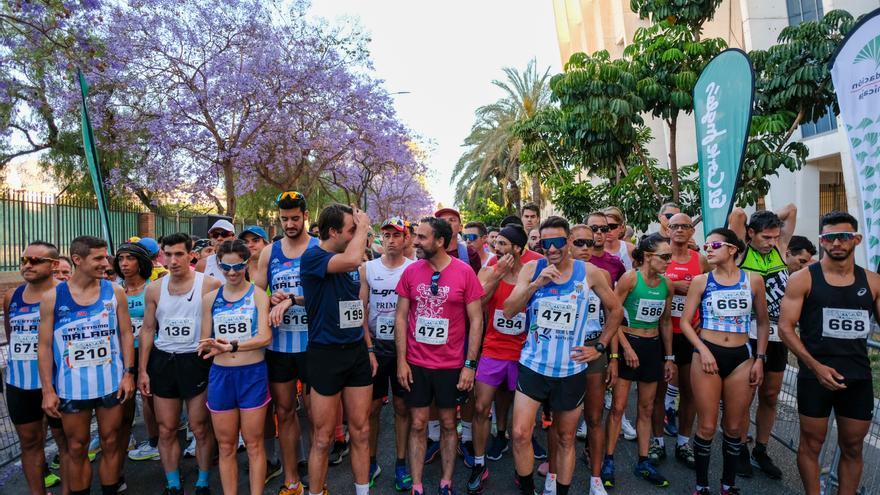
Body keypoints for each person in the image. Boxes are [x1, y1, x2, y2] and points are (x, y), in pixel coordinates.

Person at [503, 216, 622, 495]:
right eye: (546, 244)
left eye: (558, 242)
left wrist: (601, 347)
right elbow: (509, 310)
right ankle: (529, 488)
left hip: (570, 369)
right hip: (533, 365)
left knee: (567, 437)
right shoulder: (532, 269)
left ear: (568, 242)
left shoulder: (589, 273)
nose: (552, 249)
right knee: (520, 433)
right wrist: (536, 285)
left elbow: (615, 310)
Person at [778, 211, 879, 495]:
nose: (836, 243)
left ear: (856, 239)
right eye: (829, 237)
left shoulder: (872, 282)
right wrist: (814, 366)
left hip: (857, 376)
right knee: (811, 444)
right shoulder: (802, 279)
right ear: (822, 241)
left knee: (853, 446)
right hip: (814, 375)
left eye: (843, 236)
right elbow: (786, 328)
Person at [37, 236, 136, 495]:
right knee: (77, 446)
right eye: (99, 258)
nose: (106, 263)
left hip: (110, 382)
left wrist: (128, 373)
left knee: (111, 442)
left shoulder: (115, 291)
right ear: (77, 260)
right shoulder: (52, 297)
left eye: (106, 257)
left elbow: (126, 333)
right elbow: (44, 346)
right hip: (72, 388)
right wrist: (47, 389)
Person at [394, 216, 484, 495]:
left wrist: (469, 365)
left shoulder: (464, 272)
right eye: (416, 236)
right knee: (418, 423)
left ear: (440, 241)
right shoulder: (411, 272)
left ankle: (446, 482)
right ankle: (417, 485)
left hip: (450, 365)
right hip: (417, 364)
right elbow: (400, 316)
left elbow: (477, 321)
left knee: (448, 423)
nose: (416, 242)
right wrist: (401, 360)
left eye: (422, 237)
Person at [680, 228, 769, 495]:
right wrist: (702, 350)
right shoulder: (701, 281)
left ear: (732, 249)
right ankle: (701, 485)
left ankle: (728, 484)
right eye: (706, 245)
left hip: (742, 357)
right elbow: (685, 322)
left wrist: (760, 359)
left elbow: (763, 322)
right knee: (706, 426)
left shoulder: (753, 281)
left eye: (715, 245)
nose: (708, 249)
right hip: (707, 353)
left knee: (733, 426)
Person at [300, 203, 377, 495]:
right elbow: (353, 257)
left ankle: (362, 491)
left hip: (355, 351)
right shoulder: (314, 256)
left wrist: (368, 350)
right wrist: (365, 226)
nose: (356, 233)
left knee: (362, 430)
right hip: (325, 354)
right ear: (333, 232)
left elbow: (355, 307)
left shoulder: (348, 258)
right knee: (322, 437)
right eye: (351, 229)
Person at [138, 233, 222, 495]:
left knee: (199, 427)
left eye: (178, 254)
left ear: (190, 256)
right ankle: (173, 482)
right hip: (164, 361)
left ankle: (203, 481)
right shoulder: (153, 289)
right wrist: (142, 370)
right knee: (166, 428)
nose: (172, 260)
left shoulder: (209, 284)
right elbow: (148, 328)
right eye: (167, 254)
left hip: (196, 359)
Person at [253, 191, 320, 495]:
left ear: (306, 215)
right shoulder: (270, 252)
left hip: (313, 345)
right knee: (284, 411)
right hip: (279, 346)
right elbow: (256, 297)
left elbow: (327, 298)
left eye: (295, 218)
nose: (290, 224)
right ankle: (291, 480)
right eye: (284, 219)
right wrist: (271, 300)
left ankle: (318, 481)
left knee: (316, 414)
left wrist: (294, 299)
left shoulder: (319, 249)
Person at [198, 239, 273, 495]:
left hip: (252, 374)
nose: (232, 273)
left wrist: (230, 346)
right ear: (218, 265)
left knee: (253, 444)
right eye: (226, 267)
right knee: (226, 446)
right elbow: (205, 340)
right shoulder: (209, 299)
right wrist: (208, 346)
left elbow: (265, 337)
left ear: (247, 264)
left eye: (238, 267)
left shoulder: (259, 295)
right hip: (221, 376)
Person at [728, 204, 796, 479]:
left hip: (777, 336)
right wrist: (752, 223)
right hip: (748, 335)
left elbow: (791, 209)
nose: (771, 242)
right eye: (765, 237)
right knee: (746, 395)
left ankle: (762, 449)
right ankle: (741, 445)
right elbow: (738, 215)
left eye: (774, 236)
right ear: (751, 234)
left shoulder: (779, 247)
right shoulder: (741, 251)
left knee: (770, 394)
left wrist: (771, 223)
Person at [604, 233, 675, 489]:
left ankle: (643, 461)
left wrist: (668, 357)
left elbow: (665, 322)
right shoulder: (630, 279)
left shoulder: (667, 285)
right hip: (629, 345)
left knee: (646, 408)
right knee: (618, 408)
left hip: (653, 347)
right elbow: (612, 315)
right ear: (647, 256)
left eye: (670, 256)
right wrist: (624, 349)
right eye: (665, 256)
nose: (669, 260)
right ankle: (609, 460)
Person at [468, 224, 530, 494]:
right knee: (481, 407)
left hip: (523, 353)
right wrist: (497, 274)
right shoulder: (488, 268)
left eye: (504, 244)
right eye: (496, 244)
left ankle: (521, 468)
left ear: (518, 248)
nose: (497, 248)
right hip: (493, 349)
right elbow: (478, 304)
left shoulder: (532, 271)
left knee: (521, 417)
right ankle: (479, 464)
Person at [5, 241, 69, 494]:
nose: (27, 265)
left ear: (53, 265)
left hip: (59, 383)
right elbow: (12, 338)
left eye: (35, 260)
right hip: (20, 383)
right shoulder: (12, 296)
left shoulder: (66, 294)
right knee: (29, 443)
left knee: (67, 444)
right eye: (24, 260)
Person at [359, 217, 416, 490]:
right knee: (371, 408)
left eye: (396, 235)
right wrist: (368, 348)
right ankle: (371, 461)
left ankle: (401, 462)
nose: (391, 240)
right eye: (386, 235)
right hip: (376, 347)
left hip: (405, 347)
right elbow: (361, 310)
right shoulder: (367, 268)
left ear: (406, 239)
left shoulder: (415, 269)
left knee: (402, 407)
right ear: (380, 238)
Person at [650, 213, 708, 469]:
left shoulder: (700, 260)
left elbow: (712, 291)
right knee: (658, 392)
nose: (680, 230)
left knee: (690, 391)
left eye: (685, 226)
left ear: (692, 232)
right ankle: (657, 441)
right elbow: (649, 284)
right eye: (675, 226)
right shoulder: (660, 258)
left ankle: (684, 442)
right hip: (662, 332)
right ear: (667, 229)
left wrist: (703, 320)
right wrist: (675, 286)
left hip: (689, 334)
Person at [114, 242, 162, 469]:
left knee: (149, 398)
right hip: (122, 353)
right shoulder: (114, 290)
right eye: (121, 258)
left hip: (149, 351)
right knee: (124, 402)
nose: (124, 263)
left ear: (141, 262)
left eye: (130, 258)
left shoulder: (153, 288)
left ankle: (156, 442)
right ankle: (123, 442)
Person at [585, 212, 625, 284]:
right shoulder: (576, 261)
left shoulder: (615, 262)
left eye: (603, 228)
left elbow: (625, 288)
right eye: (594, 228)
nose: (599, 232)